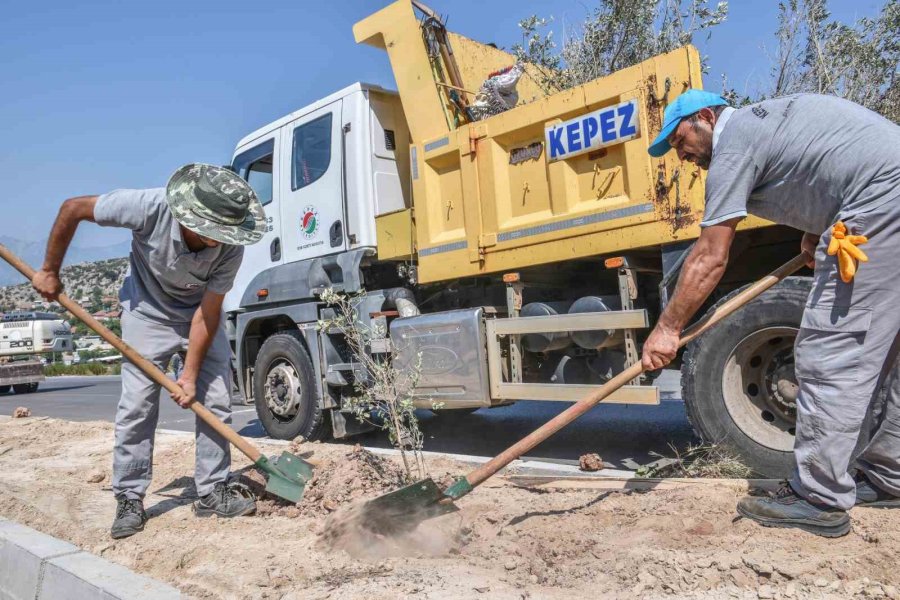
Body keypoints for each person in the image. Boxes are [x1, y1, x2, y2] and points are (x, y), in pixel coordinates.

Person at [642, 90, 900, 537]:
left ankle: (818, 499)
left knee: (830, 349)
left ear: (705, 117)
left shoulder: (735, 141)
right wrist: (816, 228)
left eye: (680, 140)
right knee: (887, 354)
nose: (681, 154)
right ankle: (890, 475)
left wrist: (667, 329)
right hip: (882, 198)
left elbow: (710, 256)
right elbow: (822, 166)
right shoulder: (768, 125)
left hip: (880, 204)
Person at [32, 164, 266, 539]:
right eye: (212, 232)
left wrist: (188, 376)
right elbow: (73, 208)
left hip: (197, 315)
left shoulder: (230, 246)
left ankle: (211, 489)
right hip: (147, 311)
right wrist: (49, 270)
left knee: (217, 400)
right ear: (190, 215)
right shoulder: (148, 207)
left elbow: (208, 313)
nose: (219, 240)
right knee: (138, 406)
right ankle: (129, 496)